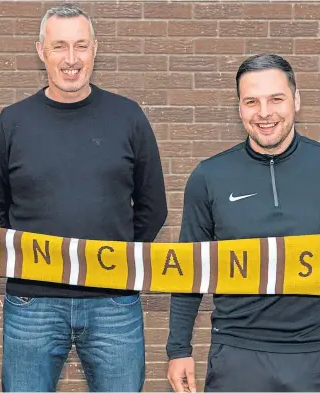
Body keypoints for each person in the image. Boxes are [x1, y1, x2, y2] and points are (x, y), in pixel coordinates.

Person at [0, 3, 167, 392]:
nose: (71, 59)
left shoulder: (128, 117)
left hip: (114, 302)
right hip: (32, 303)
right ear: (40, 51)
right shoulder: (12, 123)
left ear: (95, 49)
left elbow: (153, 206)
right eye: (59, 46)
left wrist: (116, 260)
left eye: (80, 46)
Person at [167, 53, 320, 392]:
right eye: (251, 101)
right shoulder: (209, 176)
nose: (264, 113)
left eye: (275, 99)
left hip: (313, 353)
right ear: (239, 107)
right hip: (237, 353)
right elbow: (187, 269)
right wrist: (178, 349)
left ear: (296, 100)